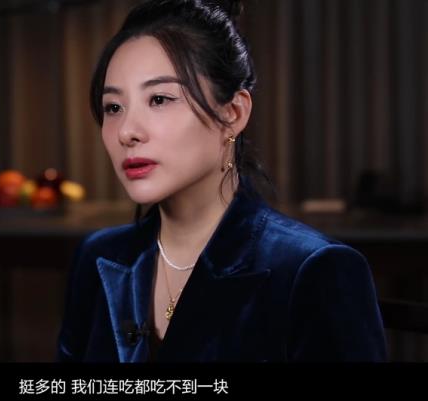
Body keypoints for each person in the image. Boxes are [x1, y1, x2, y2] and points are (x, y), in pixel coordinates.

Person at [56, 0, 387, 362]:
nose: (126, 132)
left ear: (233, 113)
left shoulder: (314, 269)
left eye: (160, 99)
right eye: (113, 108)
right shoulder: (99, 257)